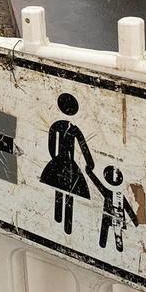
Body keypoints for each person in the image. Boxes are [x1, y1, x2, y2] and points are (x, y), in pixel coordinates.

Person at [41, 93, 93, 235]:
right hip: (66, 162)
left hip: (63, 162)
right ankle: (61, 220)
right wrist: (89, 163)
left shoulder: (61, 126)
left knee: (66, 191)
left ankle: (64, 224)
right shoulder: (64, 127)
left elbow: (52, 146)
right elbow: (83, 147)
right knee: (64, 190)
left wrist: (55, 159)